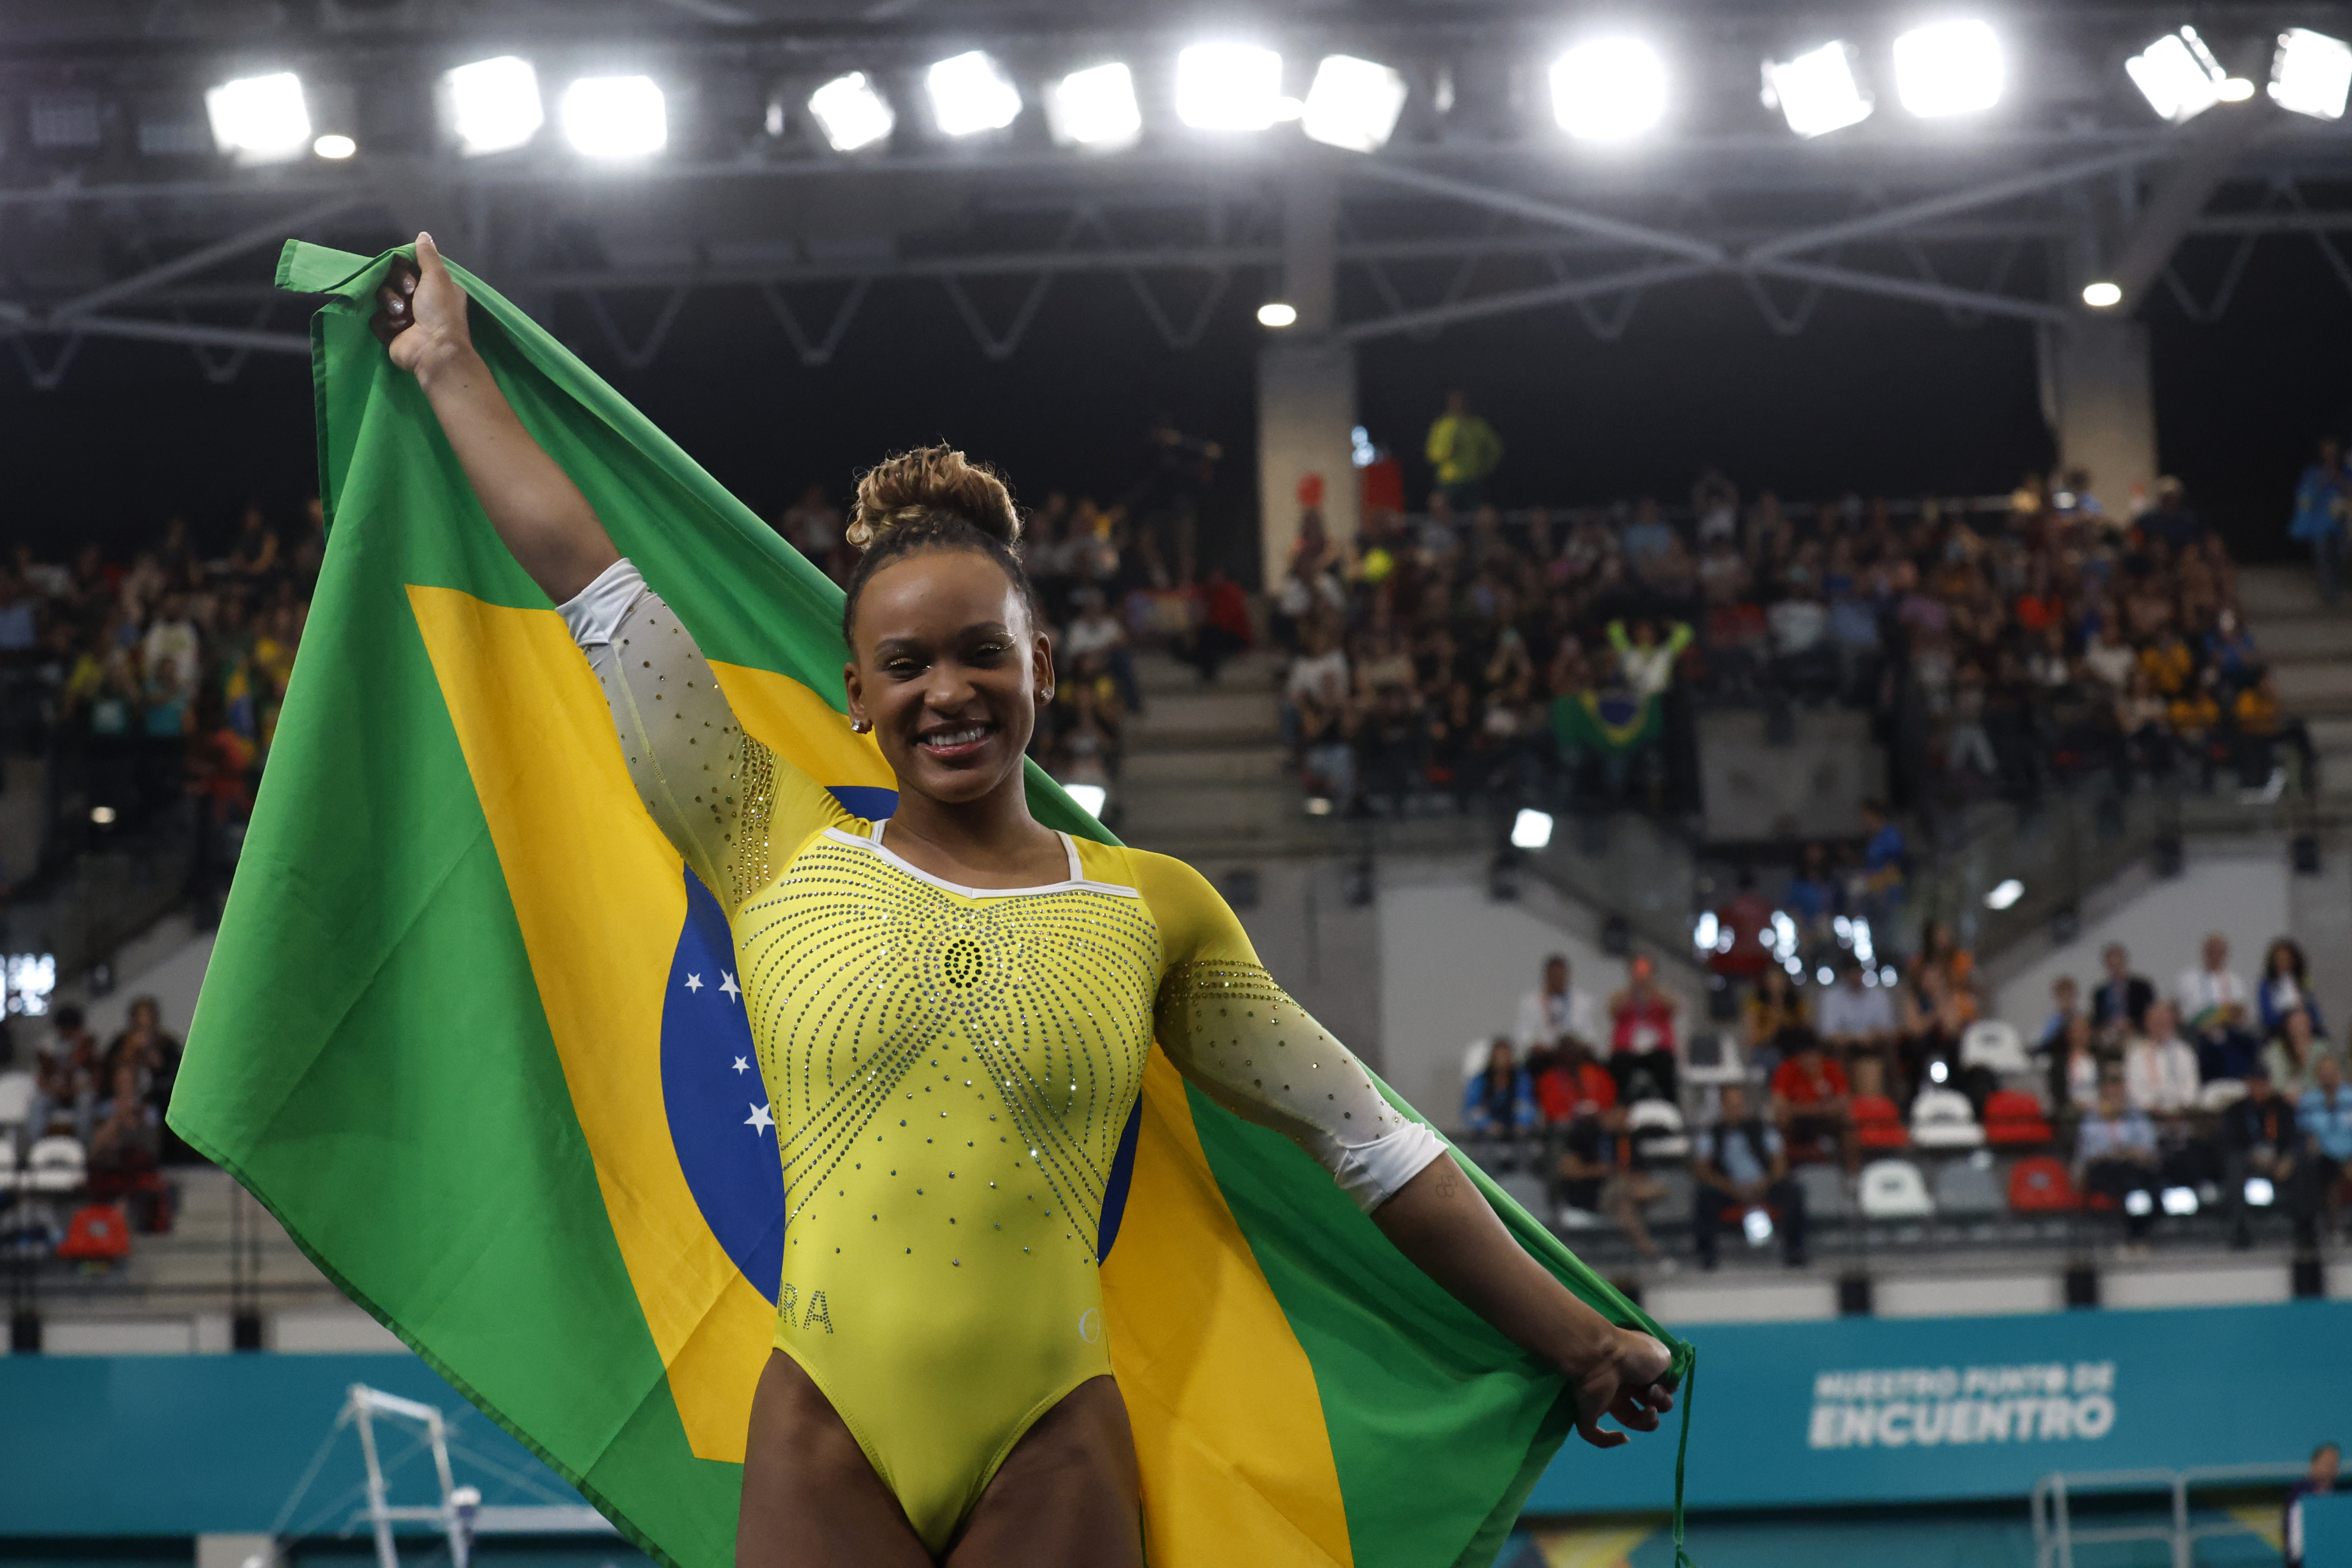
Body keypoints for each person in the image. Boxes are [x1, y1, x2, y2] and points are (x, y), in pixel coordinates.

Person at [372, 236, 1672, 1566]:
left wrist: (1577, 1336)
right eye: (907, 662)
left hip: (1053, 1442)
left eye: (983, 652)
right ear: (855, 696)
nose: (950, 688)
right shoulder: (759, 830)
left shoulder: (1152, 909)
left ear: (1040, 664)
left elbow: (1372, 1142)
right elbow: (596, 587)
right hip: (825, 1428)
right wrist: (448, 367)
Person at [1690, 1083, 1807, 1270]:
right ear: (1723, 1106)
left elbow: (1779, 1163)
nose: (1737, 1110)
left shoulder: (1762, 1129)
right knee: (1704, 1196)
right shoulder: (1712, 1133)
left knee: (1793, 1192)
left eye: (1740, 1105)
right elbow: (1703, 1171)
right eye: (1732, 1105)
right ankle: (1707, 1257)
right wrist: (1730, 1187)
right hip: (1729, 1189)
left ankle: (1795, 1252)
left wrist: (1765, 1183)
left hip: (1763, 1185)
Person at [1555, 1107, 1668, 1266]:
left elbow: (1640, 1173)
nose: (1626, 1121)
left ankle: (1652, 1255)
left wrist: (1622, 1175)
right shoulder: (1586, 1135)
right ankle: (1654, 1256)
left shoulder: (1627, 1140)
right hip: (1592, 1193)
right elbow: (1569, 1171)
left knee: (1625, 1205)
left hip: (1619, 1194)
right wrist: (1597, 1170)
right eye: (1622, 1115)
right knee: (1627, 1193)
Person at [2220, 1063, 2315, 1250]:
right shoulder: (2237, 1111)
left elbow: (2296, 1138)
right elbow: (2229, 1143)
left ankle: (2305, 1231)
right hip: (2251, 1164)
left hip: (2280, 1164)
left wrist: (2288, 1160)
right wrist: (2252, 1156)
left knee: (2306, 1165)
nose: (2259, 1088)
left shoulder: (2282, 1109)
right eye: (2254, 1083)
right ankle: (2240, 1230)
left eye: (2263, 1083)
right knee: (2234, 1167)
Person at [2074, 1075, 2160, 1252]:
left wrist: (2128, 1153)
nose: (2114, 1093)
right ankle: (2125, 1237)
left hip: (2133, 1167)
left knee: (2149, 1184)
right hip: (2104, 1170)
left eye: (2118, 1088)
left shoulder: (2137, 1116)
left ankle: (2140, 1235)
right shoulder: (2092, 1119)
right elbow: (2091, 1154)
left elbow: (2148, 1149)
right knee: (2118, 1182)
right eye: (2110, 1088)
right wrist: (2118, 1153)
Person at [1767, 1026, 1854, 1170]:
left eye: (1815, 1056)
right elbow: (1779, 1105)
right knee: (1781, 1121)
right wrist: (1816, 1108)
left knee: (1848, 1124)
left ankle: (1852, 1177)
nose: (1811, 1061)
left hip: (1825, 1120)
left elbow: (1844, 1103)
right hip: (1798, 1122)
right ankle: (1784, 1173)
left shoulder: (1832, 1068)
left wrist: (1802, 1108)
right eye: (1806, 1057)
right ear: (1799, 1057)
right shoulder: (1787, 1069)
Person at [2177, 932, 2258, 1080]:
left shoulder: (2235, 980)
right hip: (2197, 1033)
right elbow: (2182, 1014)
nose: (2215, 955)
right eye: (2211, 951)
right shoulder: (2188, 978)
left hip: (2229, 1030)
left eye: (2220, 952)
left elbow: (2241, 1013)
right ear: (2204, 952)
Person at [23, 1005, 100, 1158]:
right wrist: (50, 1089)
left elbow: (97, 1076)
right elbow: (41, 1077)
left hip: (80, 1092)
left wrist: (80, 1087)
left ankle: (82, 1151)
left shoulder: (87, 1044)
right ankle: (36, 1150)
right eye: (64, 1028)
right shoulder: (49, 1046)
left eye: (71, 1028)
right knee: (37, 1103)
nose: (67, 1032)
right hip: (56, 1093)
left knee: (86, 1101)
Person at [1606, 956, 1679, 1104]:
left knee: (1665, 1063)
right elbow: (1613, 1010)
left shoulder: (1660, 995)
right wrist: (1632, 990)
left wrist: (1652, 990)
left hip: (1657, 1050)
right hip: (1628, 1050)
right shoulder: (1624, 996)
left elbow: (1674, 1007)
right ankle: (1620, 1106)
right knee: (1619, 1064)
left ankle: (1670, 1106)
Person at [2290, 435, 2349, 605]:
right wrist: (2323, 480)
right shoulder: (2313, 473)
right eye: (2327, 452)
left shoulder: (2345, 472)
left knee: (2343, 553)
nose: (2331, 456)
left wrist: (2338, 478)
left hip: (2342, 523)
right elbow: (2305, 497)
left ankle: (2338, 585)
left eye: (2334, 452)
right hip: (2320, 524)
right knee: (2323, 552)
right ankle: (2329, 594)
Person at [2299, 1053, 2352, 1239]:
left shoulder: (2350, 1097)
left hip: (2349, 1153)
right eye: (2324, 1073)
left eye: (2332, 1072)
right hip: (2324, 1156)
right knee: (2326, 1172)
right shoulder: (2309, 1101)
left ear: (2339, 1073)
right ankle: (2336, 1227)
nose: (2328, 1076)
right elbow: (2305, 1132)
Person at [1425, 390, 1502, 513]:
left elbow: (1495, 451)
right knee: (1444, 514)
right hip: (1449, 482)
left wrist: (1484, 468)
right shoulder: (1444, 425)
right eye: (1454, 403)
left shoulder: (1479, 426)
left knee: (1475, 517)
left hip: (1473, 481)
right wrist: (1449, 450)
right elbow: (1433, 455)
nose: (1457, 406)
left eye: (1460, 402)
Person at [2121, 1002, 2200, 1119]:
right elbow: (2133, 1090)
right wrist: (2153, 1107)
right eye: (2156, 1022)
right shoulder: (2136, 1055)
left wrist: (2181, 1107)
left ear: (2173, 1023)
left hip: (2182, 1115)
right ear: (2147, 1024)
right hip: (2148, 1116)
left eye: (2165, 1021)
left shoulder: (2185, 1052)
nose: (2161, 1026)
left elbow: (2191, 1086)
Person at [1515, 954, 1602, 1055]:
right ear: (1547, 977)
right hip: (1544, 1056)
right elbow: (1523, 1035)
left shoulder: (1583, 1002)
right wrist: (1537, 1045)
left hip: (1574, 1055)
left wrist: (1579, 1044)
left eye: (1561, 976)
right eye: (1554, 976)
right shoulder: (1530, 1002)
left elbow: (1590, 1035)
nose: (1558, 980)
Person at [1815, 959, 1897, 1063]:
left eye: (1859, 973)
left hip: (1873, 1043)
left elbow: (1888, 1028)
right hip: (1844, 1045)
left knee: (1889, 1045)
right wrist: (1857, 1038)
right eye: (1852, 973)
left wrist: (1871, 1036)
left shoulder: (1879, 994)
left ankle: (1897, 1080)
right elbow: (1828, 1033)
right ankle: (1840, 1079)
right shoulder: (1831, 996)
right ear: (1845, 975)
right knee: (1838, 1048)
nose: (1856, 977)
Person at [1462, 1038, 1539, 1138]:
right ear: (1492, 1059)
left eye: (1505, 1056)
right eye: (1498, 1057)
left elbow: (1527, 1104)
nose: (1502, 1061)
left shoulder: (1521, 1079)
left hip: (1517, 1133)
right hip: (1487, 1136)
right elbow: (1471, 1110)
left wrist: (1521, 1123)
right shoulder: (1480, 1081)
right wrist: (1488, 1125)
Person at [2285, 1440, 2340, 1568]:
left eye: (2334, 1465)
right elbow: (2295, 1549)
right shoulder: (2300, 1496)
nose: (2330, 1469)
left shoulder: (2340, 1499)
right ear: (2314, 1465)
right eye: (2326, 1464)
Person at [2258, 938, 2325, 1039]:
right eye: (2280, 960)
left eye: (2287, 960)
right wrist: (2289, 1018)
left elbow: (2314, 1011)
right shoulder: (2267, 985)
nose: (2284, 964)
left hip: (2305, 1027)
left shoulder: (2303, 983)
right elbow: (2267, 1017)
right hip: (2278, 1030)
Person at [2089, 943, 2155, 1036]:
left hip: (2138, 1034)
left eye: (2118, 964)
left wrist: (2130, 1024)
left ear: (2125, 962)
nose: (2116, 969)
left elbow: (2151, 1015)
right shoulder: (2100, 994)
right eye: (2112, 965)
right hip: (2109, 1037)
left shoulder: (2142, 988)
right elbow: (2096, 1021)